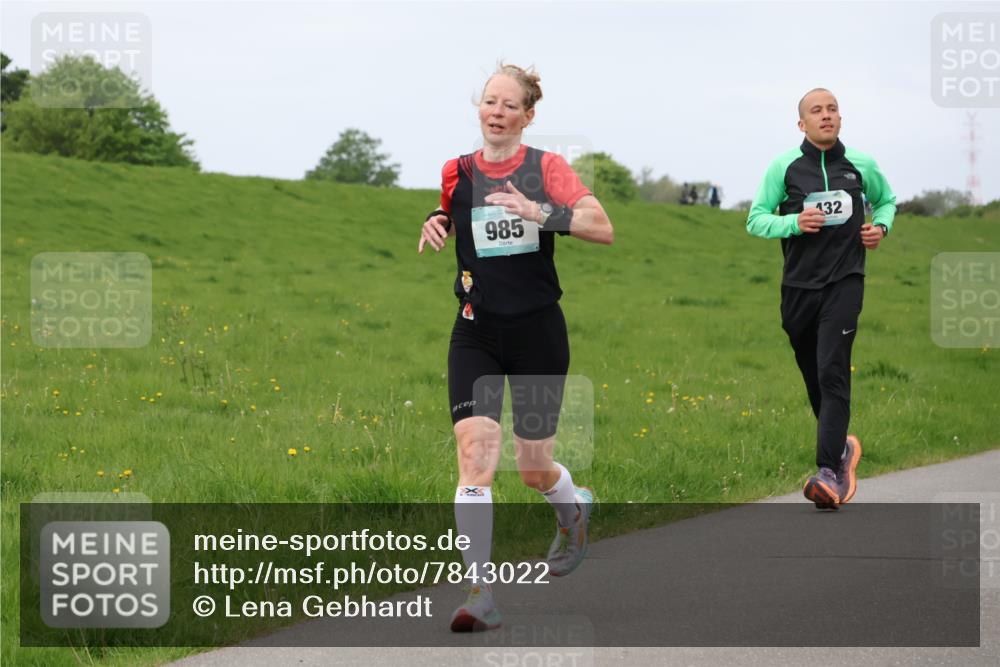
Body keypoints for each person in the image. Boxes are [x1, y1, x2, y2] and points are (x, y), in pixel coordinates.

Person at [418, 63, 614, 631]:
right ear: (478, 109)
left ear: (528, 116)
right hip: (475, 331)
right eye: (489, 102)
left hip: (537, 335)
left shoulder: (546, 168)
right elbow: (455, 207)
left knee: (532, 468)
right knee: (475, 457)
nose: (496, 112)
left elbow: (602, 227)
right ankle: (479, 594)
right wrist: (437, 220)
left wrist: (540, 212)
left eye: (509, 105)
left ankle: (572, 509)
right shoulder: (456, 170)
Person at [746, 88, 896, 510]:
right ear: (802, 123)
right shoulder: (784, 166)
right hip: (798, 287)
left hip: (845, 282)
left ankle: (828, 471)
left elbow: (886, 202)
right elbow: (756, 220)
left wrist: (880, 228)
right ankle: (842, 447)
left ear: (840, 119)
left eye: (832, 109)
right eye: (817, 110)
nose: (826, 115)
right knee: (814, 375)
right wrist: (794, 222)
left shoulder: (861, 164)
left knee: (833, 370)